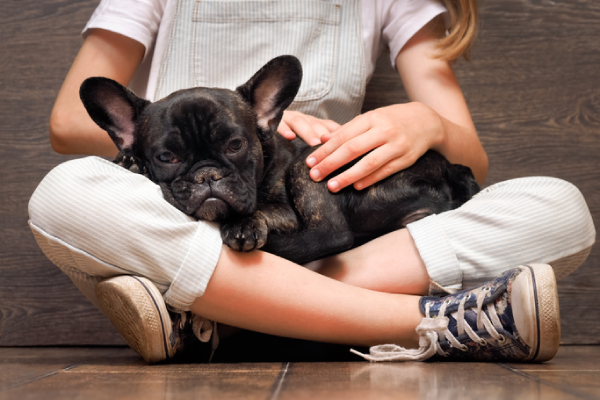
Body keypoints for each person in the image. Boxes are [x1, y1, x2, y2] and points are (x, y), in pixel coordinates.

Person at [29, 0, 595, 363]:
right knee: (62, 194)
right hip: (192, 234)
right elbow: (65, 123)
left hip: (324, 214)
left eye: (228, 144)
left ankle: (220, 319)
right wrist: (161, 143)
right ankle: (440, 321)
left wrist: (427, 121)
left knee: (560, 207)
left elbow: (472, 156)